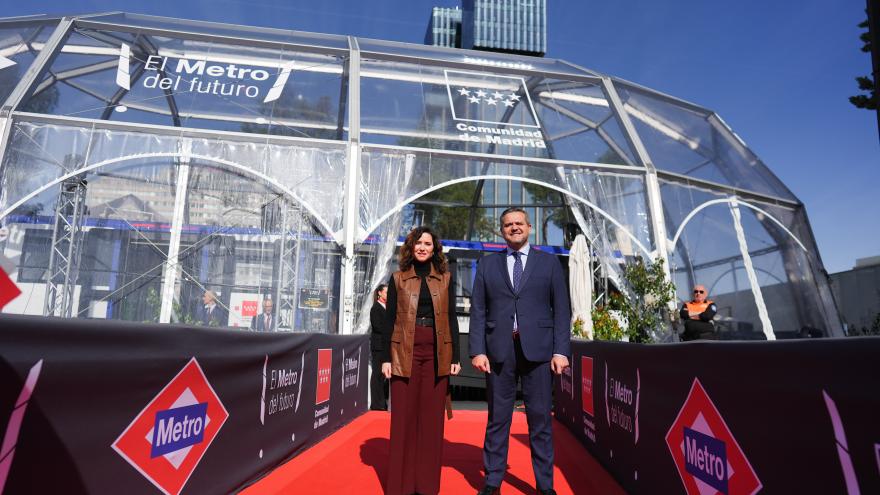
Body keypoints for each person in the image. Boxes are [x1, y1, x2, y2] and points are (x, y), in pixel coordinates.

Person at [469, 208, 571, 495]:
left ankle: (545, 486)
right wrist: (477, 350)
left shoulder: (549, 263)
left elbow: (562, 310)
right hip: (498, 352)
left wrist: (561, 351)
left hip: (539, 352)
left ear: (529, 228)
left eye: (518, 223)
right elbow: (478, 310)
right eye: (507, 225)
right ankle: (492, 482)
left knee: (540, 421)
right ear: (501, 231)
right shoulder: (487, 265)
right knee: (497, 419)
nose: (514, 228)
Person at [380, 226, 461, 495]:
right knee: (403, 421)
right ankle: (400, 487)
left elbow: (451, 319)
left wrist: (455, 356)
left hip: (437, 355)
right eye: (418, 243)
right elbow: (388, 320)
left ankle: (426, 487)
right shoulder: (398, 278)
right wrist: (384, 359)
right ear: (411, 247)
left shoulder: (446, 279)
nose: (423, 247)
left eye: (427, 243)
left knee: (431, 423)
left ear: (435, 248)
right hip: (404, 353)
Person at [369, 284, 389, 411]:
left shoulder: (387, 307)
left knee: (383, 376)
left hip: (385, 345)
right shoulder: (375, 308)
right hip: (378, 346)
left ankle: (382, 402)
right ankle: (376, 404)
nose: (388, 295)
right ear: (380, 293)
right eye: (386, 292)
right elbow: (377, 327)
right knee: (377, 374)